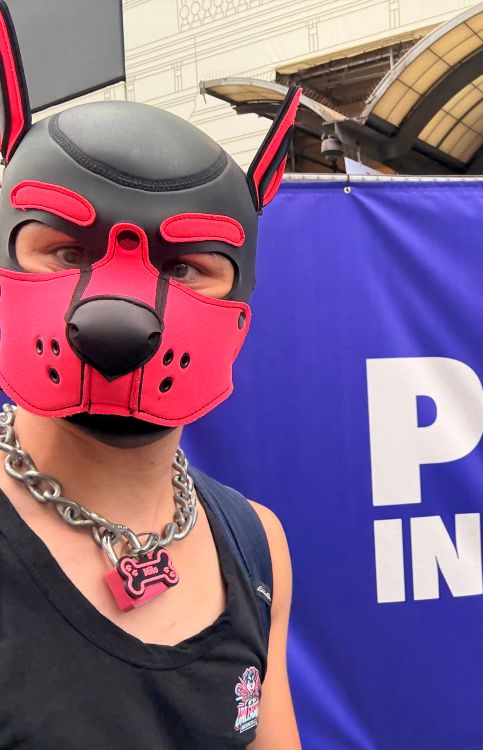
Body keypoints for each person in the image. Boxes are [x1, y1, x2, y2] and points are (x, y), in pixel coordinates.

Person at [0, 3, 302, 746]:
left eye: (184, 266)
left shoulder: (255, 544)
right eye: (67, 251)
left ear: (240, 305)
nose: (121, 313)